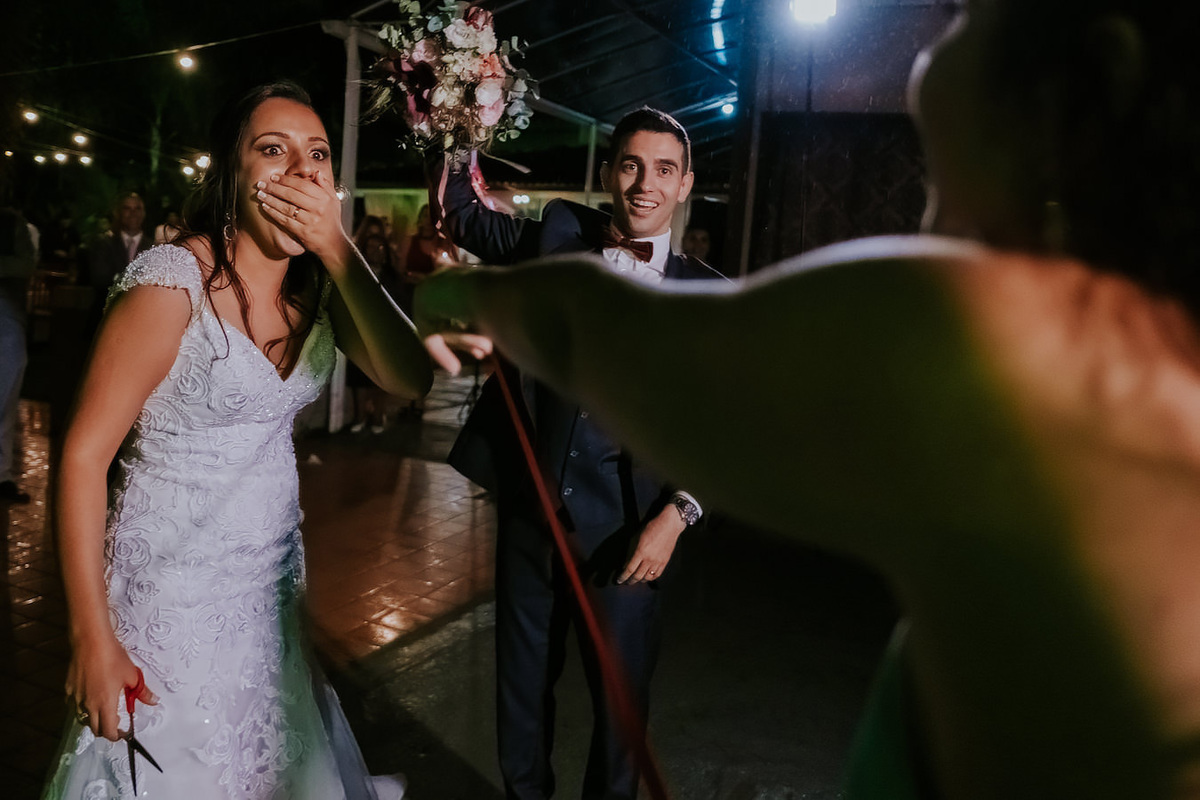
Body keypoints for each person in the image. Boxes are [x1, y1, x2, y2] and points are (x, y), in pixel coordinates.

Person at [415, 2, 1200, 797]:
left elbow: (595, 330)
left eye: (967, 14)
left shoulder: (961, 324)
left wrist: (455, 292)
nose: (932, 43)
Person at [43, 81, 436, 800]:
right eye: (273, 150)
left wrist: (340, 251)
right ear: (231, 172)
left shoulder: (320, 292)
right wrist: (90, 638)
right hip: (166, 599)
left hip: (269, 591)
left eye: (316, 155)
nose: (298, 171)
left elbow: (410, 378)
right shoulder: (170, 286)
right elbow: (80, 458)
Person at [429, 107, 722, 800]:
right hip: (534, 515)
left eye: (663, 170)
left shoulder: (712, 296)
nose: (644, 184)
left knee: (621, 715)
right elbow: (463, 214)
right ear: (607, 174)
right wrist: (455, 113)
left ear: (685, 186)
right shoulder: (558, 237)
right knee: (520, 698)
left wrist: (676, 516)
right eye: (630, 166)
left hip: (630, 530)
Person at [0, 206, 36, 504]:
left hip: (7, 320)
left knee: (6, 399)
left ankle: (2, 474)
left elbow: (25, 265)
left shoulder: (12, 221)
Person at [88, 192, 152, 290]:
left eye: (137, 209)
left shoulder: (152, 247)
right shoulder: (104, 244)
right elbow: (99, 279)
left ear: (144, 213)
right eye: (127, 208)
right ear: (118, 213)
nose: (133, 213)